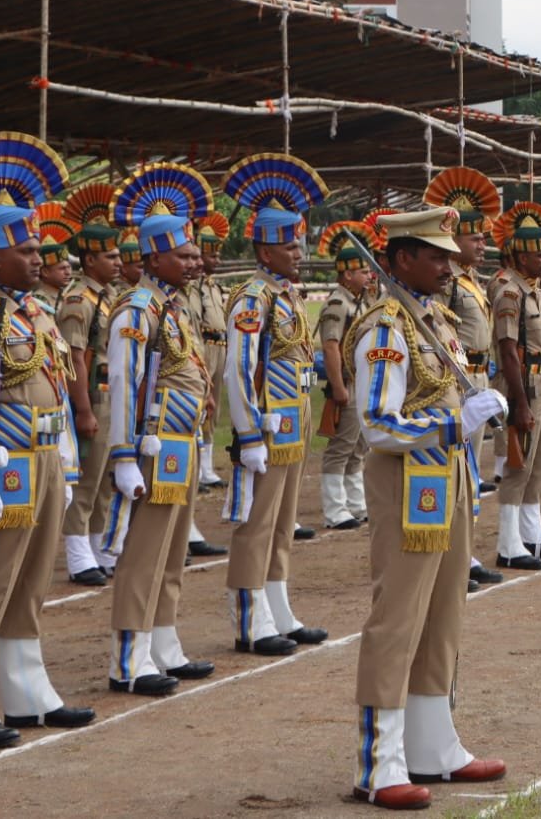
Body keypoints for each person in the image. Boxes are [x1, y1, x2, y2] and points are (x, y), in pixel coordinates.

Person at [347, 206, 509, 808]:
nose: (449, 264)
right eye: (435, 254)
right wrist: (452, 424)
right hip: (407, 486)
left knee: (443, 618)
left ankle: (434, 745)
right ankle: (379, 762)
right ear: (400, 258)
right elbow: (379, 425)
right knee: (397, 623)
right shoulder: (385, 328)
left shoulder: (432, 320)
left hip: (446, 484)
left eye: (449, 254)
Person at [0, 132, 93, 748]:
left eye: (38, 250)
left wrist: (67, 459)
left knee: (31, 582)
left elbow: (53, 384)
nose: (39, 259)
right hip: (3, 468)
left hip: (47, 460)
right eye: (27, 251)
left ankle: (28, 693)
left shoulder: (38, 314)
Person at [104, 163, 219, 697]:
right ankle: (129, 657)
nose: (194, 263)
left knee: (172, 551)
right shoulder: (137, 308)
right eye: (184, 255)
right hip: (151, 447)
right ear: (153, 258)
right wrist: (124, 454)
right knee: (145, 551)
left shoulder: (173, 306)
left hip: (179, 443)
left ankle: (163, 642)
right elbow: (125, 384)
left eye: (195, 254)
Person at [221, 153, 330, 657]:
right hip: (265, 428)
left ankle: (278, 607)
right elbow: (239, 369)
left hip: (293, 424)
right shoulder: (252, 299)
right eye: (289, 244)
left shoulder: (286, 295)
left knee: (283, 523)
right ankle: (250, 620)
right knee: (257, 525)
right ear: (265, 248)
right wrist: (246, 434)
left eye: (300, 241)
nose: (298, 251)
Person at [420, 167, 514, 584]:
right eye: (474, 238)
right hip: (454, 384)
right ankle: (451, 554)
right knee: (454, 471)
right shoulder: (449, 285)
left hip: (476, 379)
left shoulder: (471, 282)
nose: (482, 244)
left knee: (471, 473)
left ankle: (465, 552)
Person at [490, 200, 541, 568]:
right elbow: (507, 350)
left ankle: (531, 531)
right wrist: (518, 402)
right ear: (520, 257)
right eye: (538, 254)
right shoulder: (510, 291)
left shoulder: (534, 288)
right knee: (519, 464)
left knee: (540, 461)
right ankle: (508, 542)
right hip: (524, 383)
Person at [56, 185, 123, 585]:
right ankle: (78, 553)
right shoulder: (79, 300)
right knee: (86, 478)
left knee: (105, 479)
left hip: (112, 394)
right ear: (89, 258)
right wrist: (82, 410)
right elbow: (75, 358)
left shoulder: (108, 295)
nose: (117, 262)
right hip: (93, 397)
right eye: (110, 256)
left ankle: (99, 546)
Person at [315, 222, 377, 530]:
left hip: (360, 382)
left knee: (358, 446)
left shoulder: (359, 301)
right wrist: (339, 387)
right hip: (348, 383)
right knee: (341, 447)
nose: (368, 276)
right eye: (363, 271)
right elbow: (330, 347)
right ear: (347, 274)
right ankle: (335, 508)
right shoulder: (339, 303)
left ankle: (355, 503)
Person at [185, 213, 232, 492]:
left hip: (220, 347)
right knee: (200, 407)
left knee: (213, 409)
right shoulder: (194, 288)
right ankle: (197, 467)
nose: (216, 260)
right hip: (203, 348)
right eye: (211, 255)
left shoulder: (215, 287)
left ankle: (206, 467)